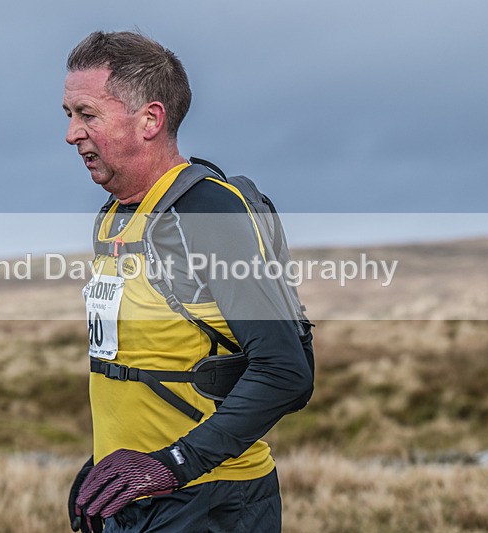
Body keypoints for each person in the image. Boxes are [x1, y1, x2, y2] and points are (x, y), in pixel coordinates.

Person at [62, 31, 314, 532]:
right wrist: (105, 467)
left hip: (213, 503)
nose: (71, 134)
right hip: (138, 496)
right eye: (68, 115)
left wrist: (170, 464)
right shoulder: (114, 215)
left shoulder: (208, 212)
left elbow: (287, 371)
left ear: (150, 119)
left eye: (87, 115)